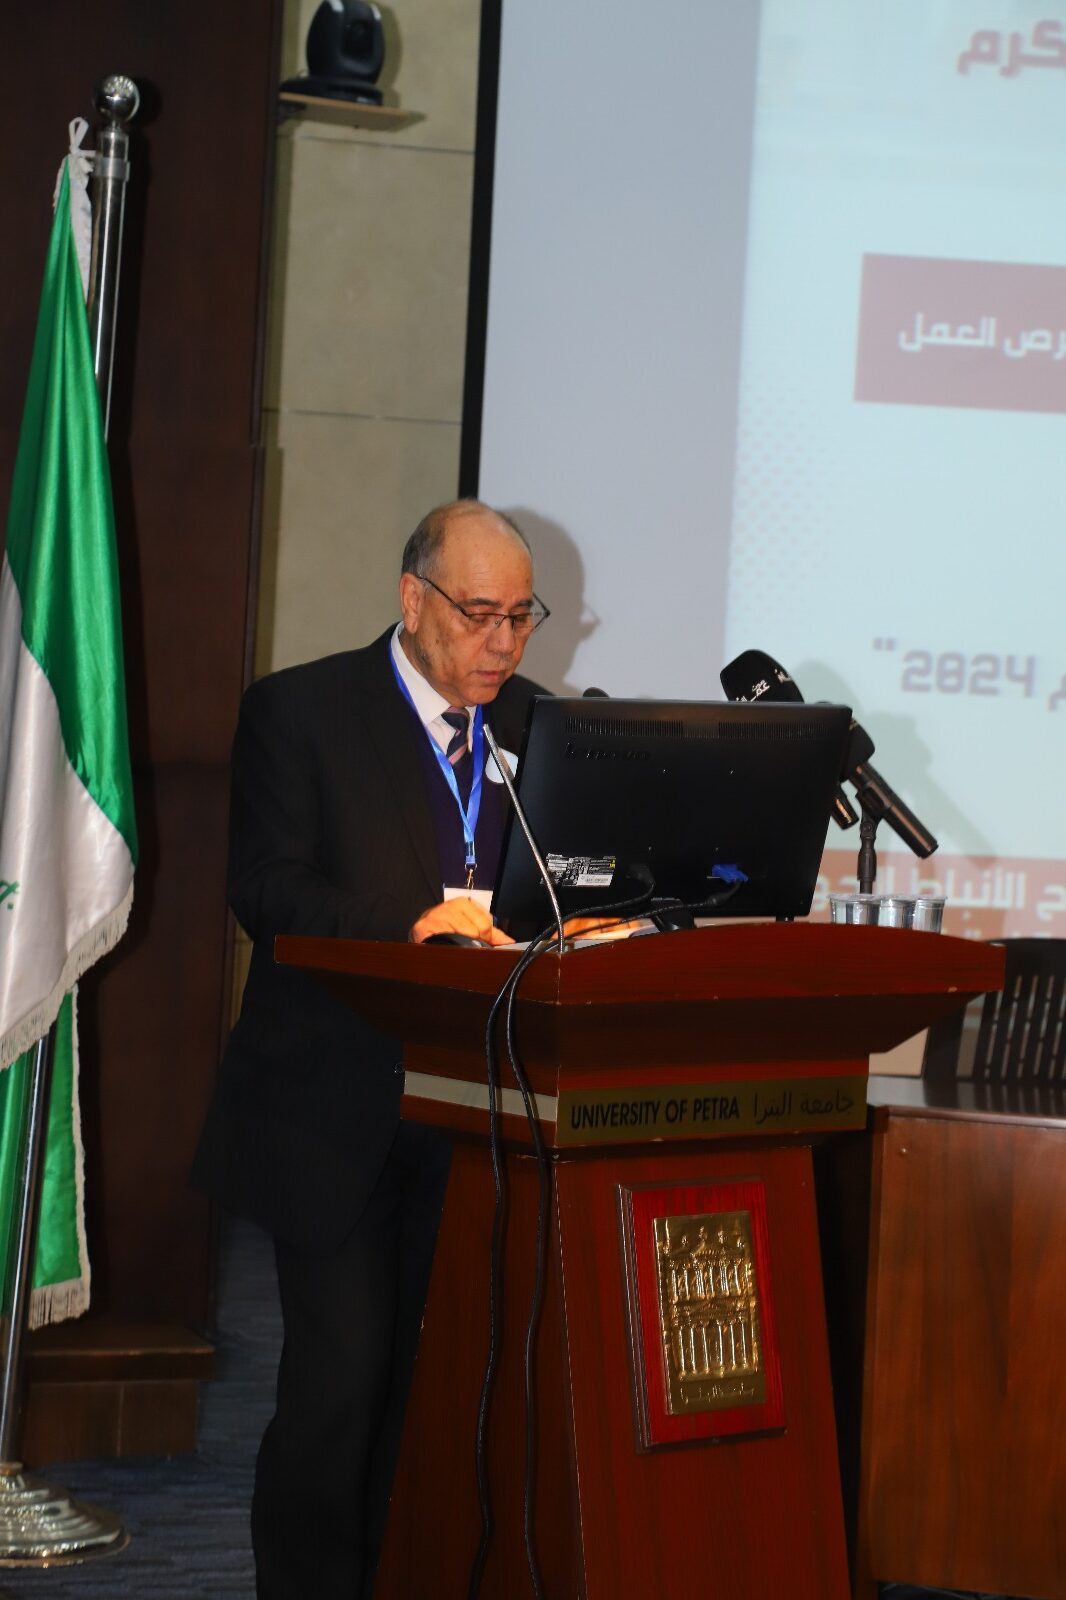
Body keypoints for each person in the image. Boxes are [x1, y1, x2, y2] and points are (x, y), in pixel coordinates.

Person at [194, 500, 549, 1598]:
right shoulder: (301, 710)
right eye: (479, 614)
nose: (502, 643)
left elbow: (557, 885)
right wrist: (407, 927)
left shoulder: (538, 725)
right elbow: (266, 887)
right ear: (412, 598)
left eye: (521, 617)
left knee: (431, 1391)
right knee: (339, 1389)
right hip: (333, 1104)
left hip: (473, 1109)